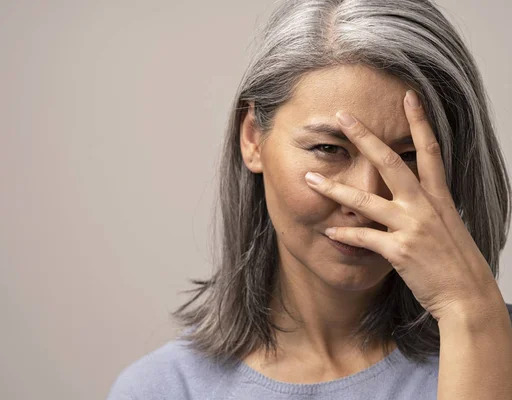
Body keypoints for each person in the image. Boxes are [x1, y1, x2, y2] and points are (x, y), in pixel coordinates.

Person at [108, 0, 512, 398]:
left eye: (406, 158)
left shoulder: (492, 341)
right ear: (252, 137)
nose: (367, 197)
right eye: (329, 149)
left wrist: (471, 314)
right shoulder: (165, 389)